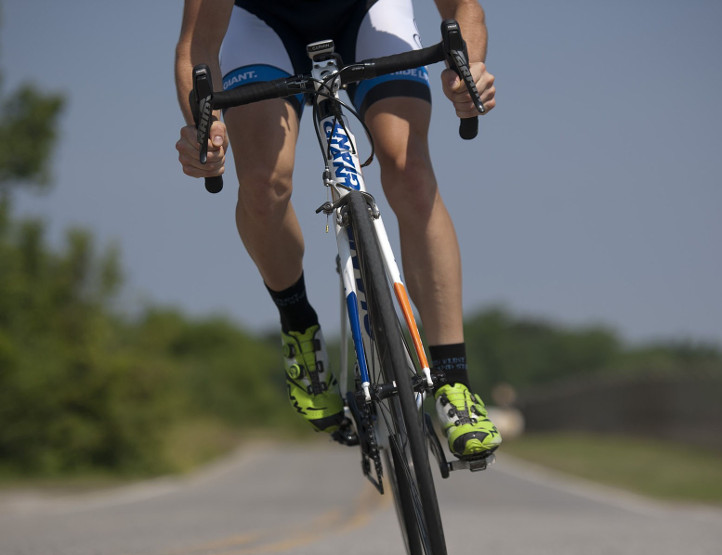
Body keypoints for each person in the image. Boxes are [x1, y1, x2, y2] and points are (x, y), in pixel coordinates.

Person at [175, 0, 501, 460]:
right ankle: (300, 328)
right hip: (264, 22)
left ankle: (454, 383)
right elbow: (197, 45)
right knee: (264, 185)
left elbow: (463, 7)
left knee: (408, 169)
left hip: (370, 10)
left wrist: (467, 69)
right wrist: (201, 129)